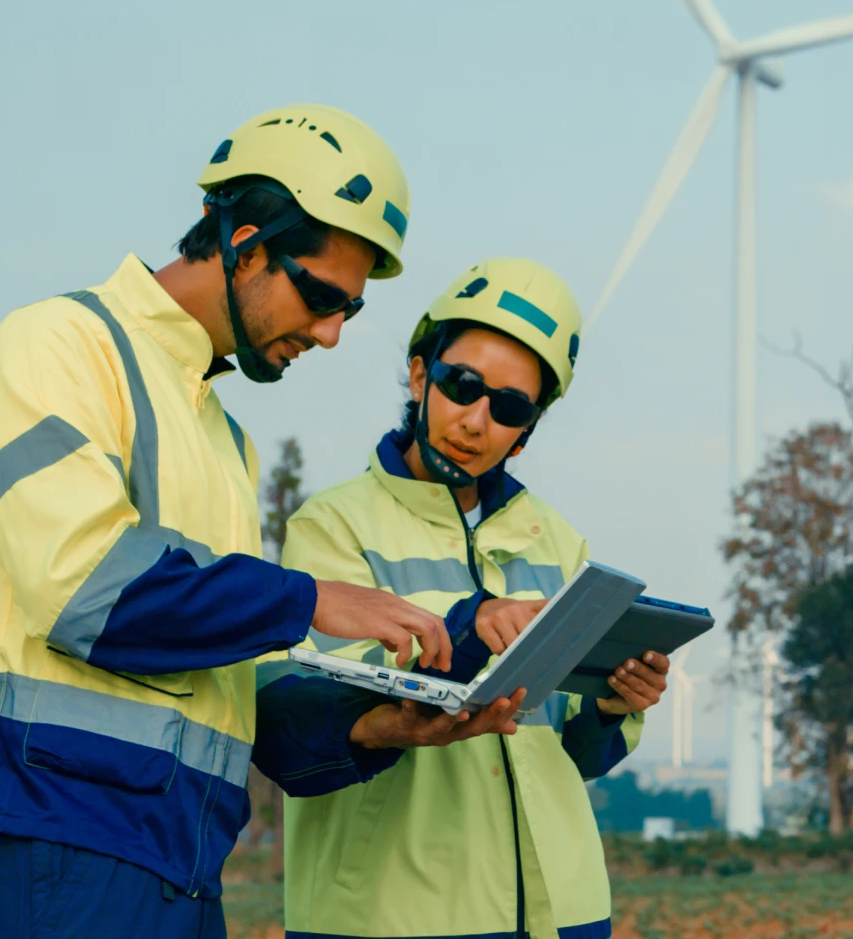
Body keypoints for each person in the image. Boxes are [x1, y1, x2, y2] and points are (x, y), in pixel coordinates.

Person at [0, 107, 524, 939]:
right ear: (241, 242)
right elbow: (85, 592)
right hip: (55, 840)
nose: (333, 334)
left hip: (182, 861)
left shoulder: (222, 437)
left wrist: (376, 725)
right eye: (319, 297)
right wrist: (311, 597)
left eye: (349, 307)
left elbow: (227, 679)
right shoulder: (58, 345)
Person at [273, 258, 670, 939]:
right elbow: (313, 714)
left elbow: (572, 755)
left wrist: (613, 703)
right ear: (421, 374)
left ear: (528, 428)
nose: (478, 420)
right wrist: (470, 628)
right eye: (463, 386)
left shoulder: (559, 542)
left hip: (565, 916)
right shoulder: (332, 526)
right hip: (394, 917)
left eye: (511, 407)